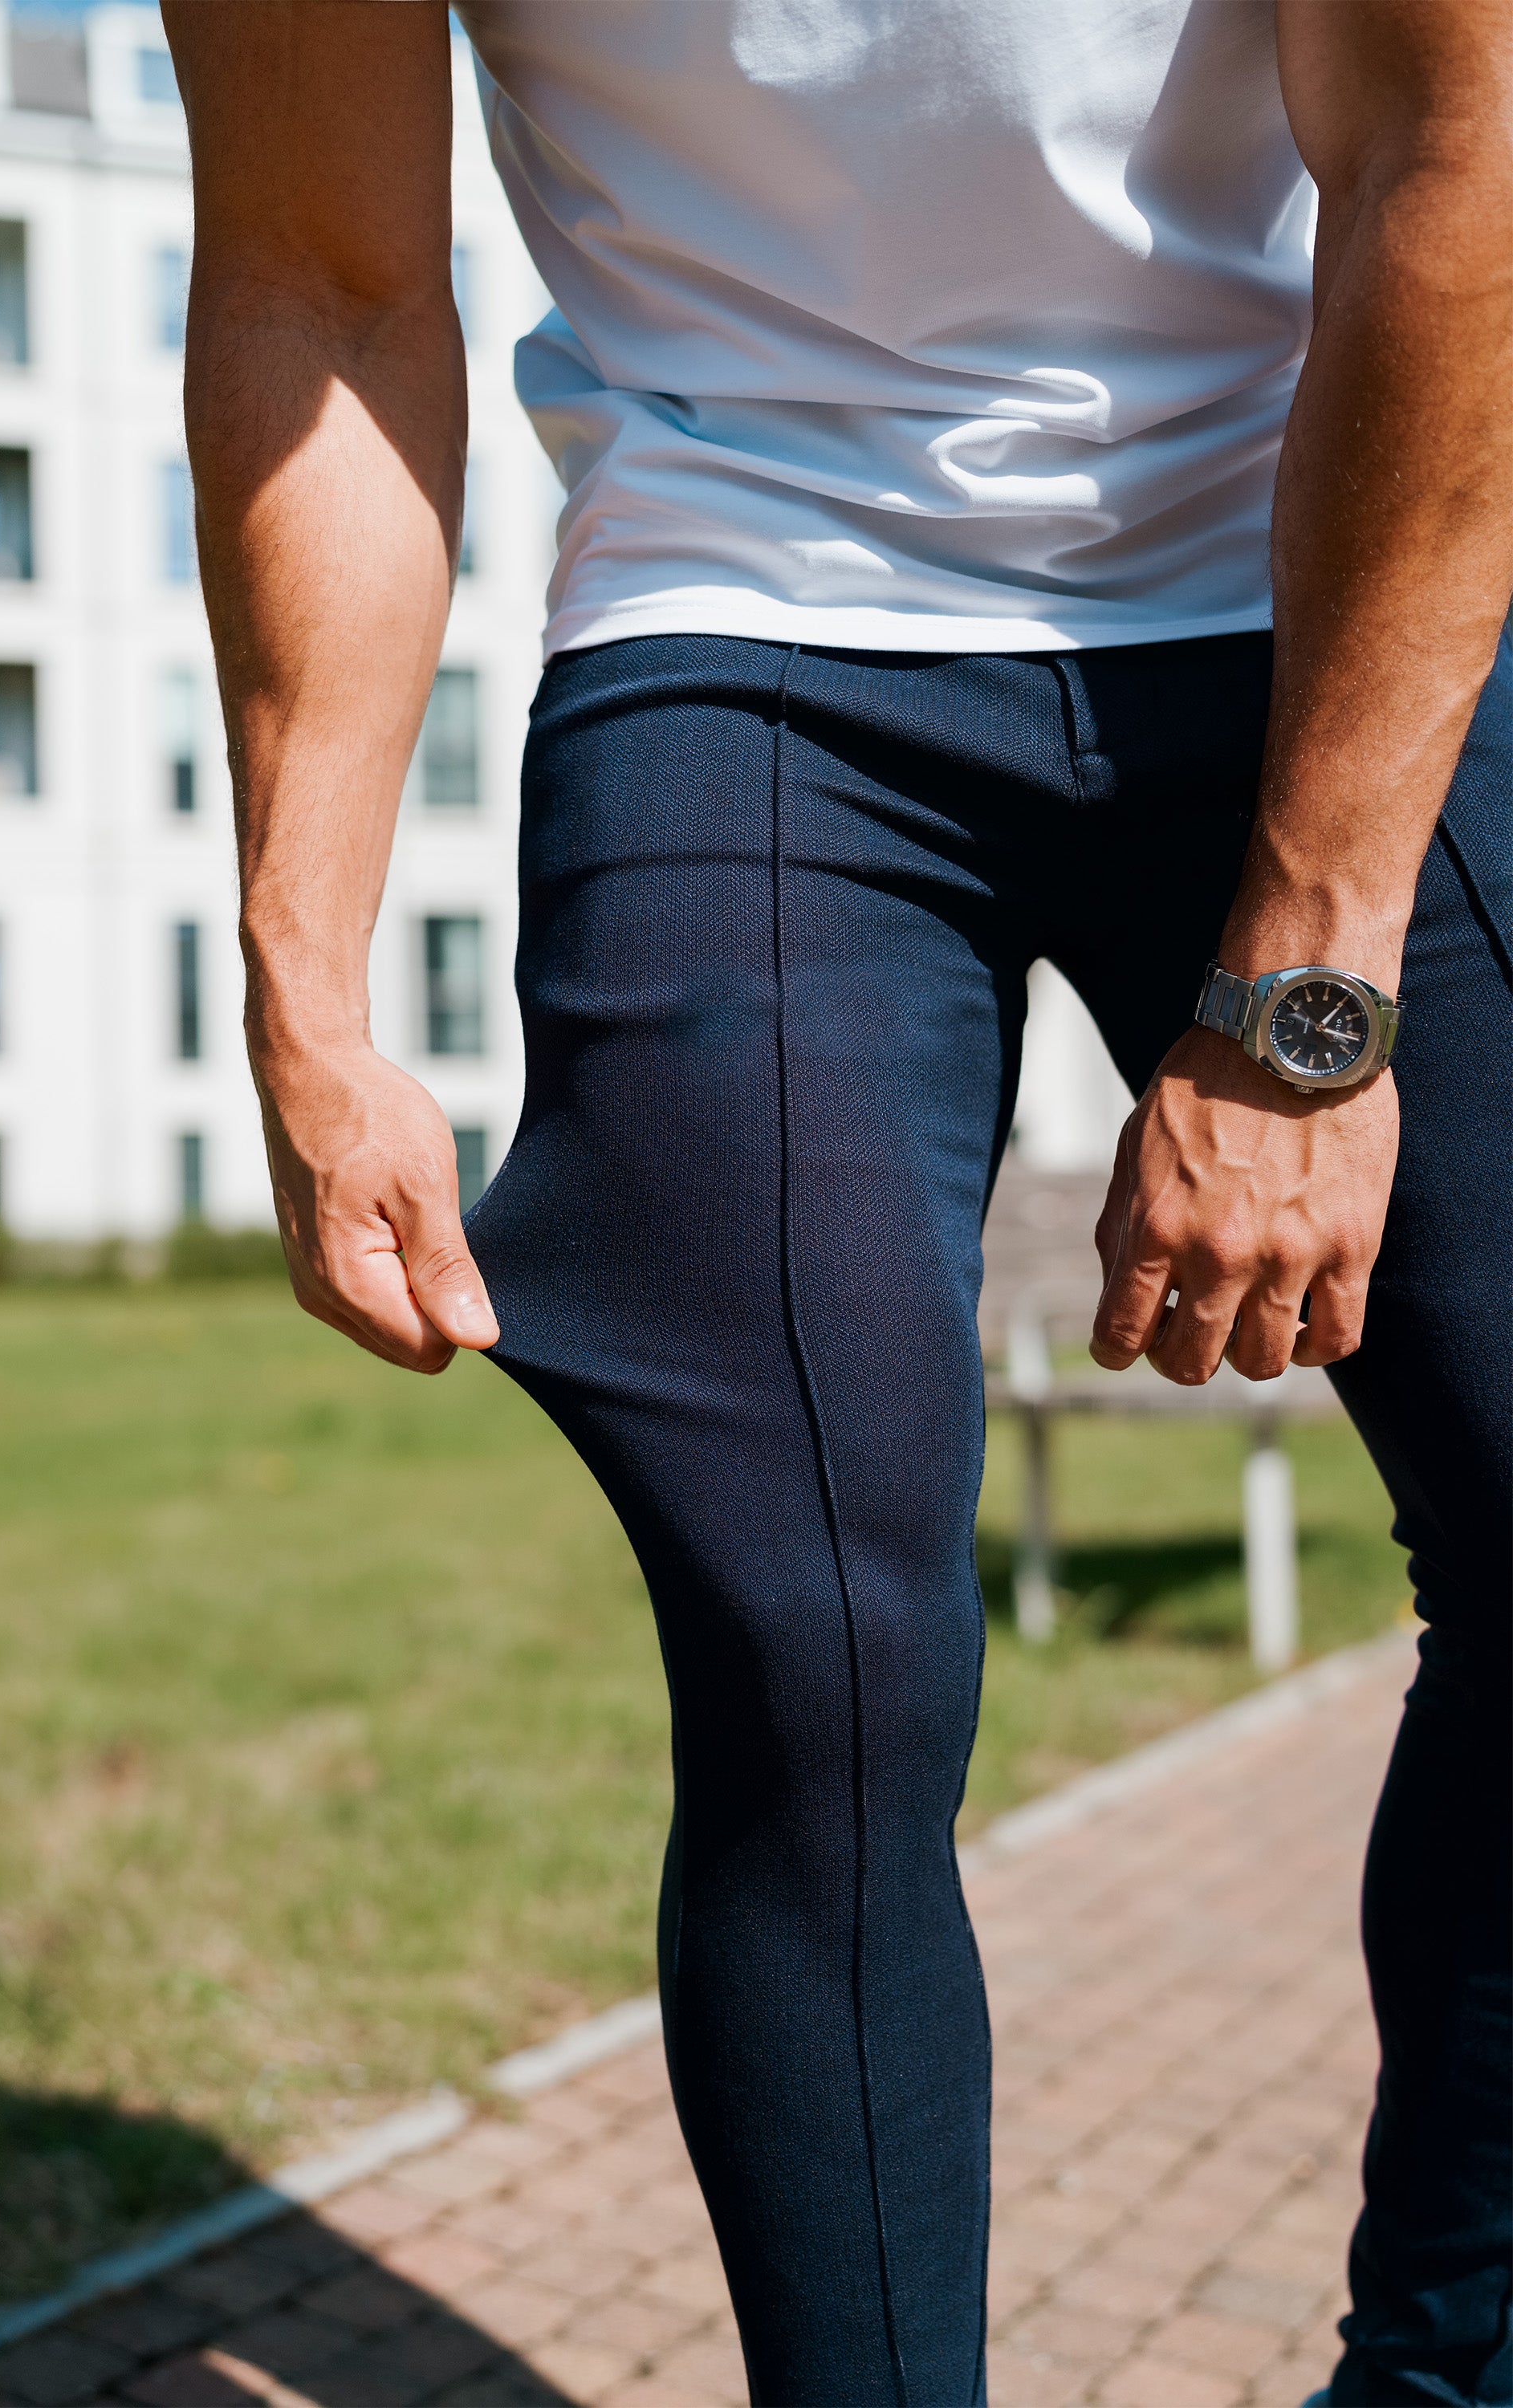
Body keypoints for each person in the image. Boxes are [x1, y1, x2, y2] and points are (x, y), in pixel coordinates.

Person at [165, 3, 1511, 2400]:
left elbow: (1456, 161)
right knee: (819, 1677)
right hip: (746, 615)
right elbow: (326, 281)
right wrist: (306, 971)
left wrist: (1313, 991)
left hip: (1317, 540)